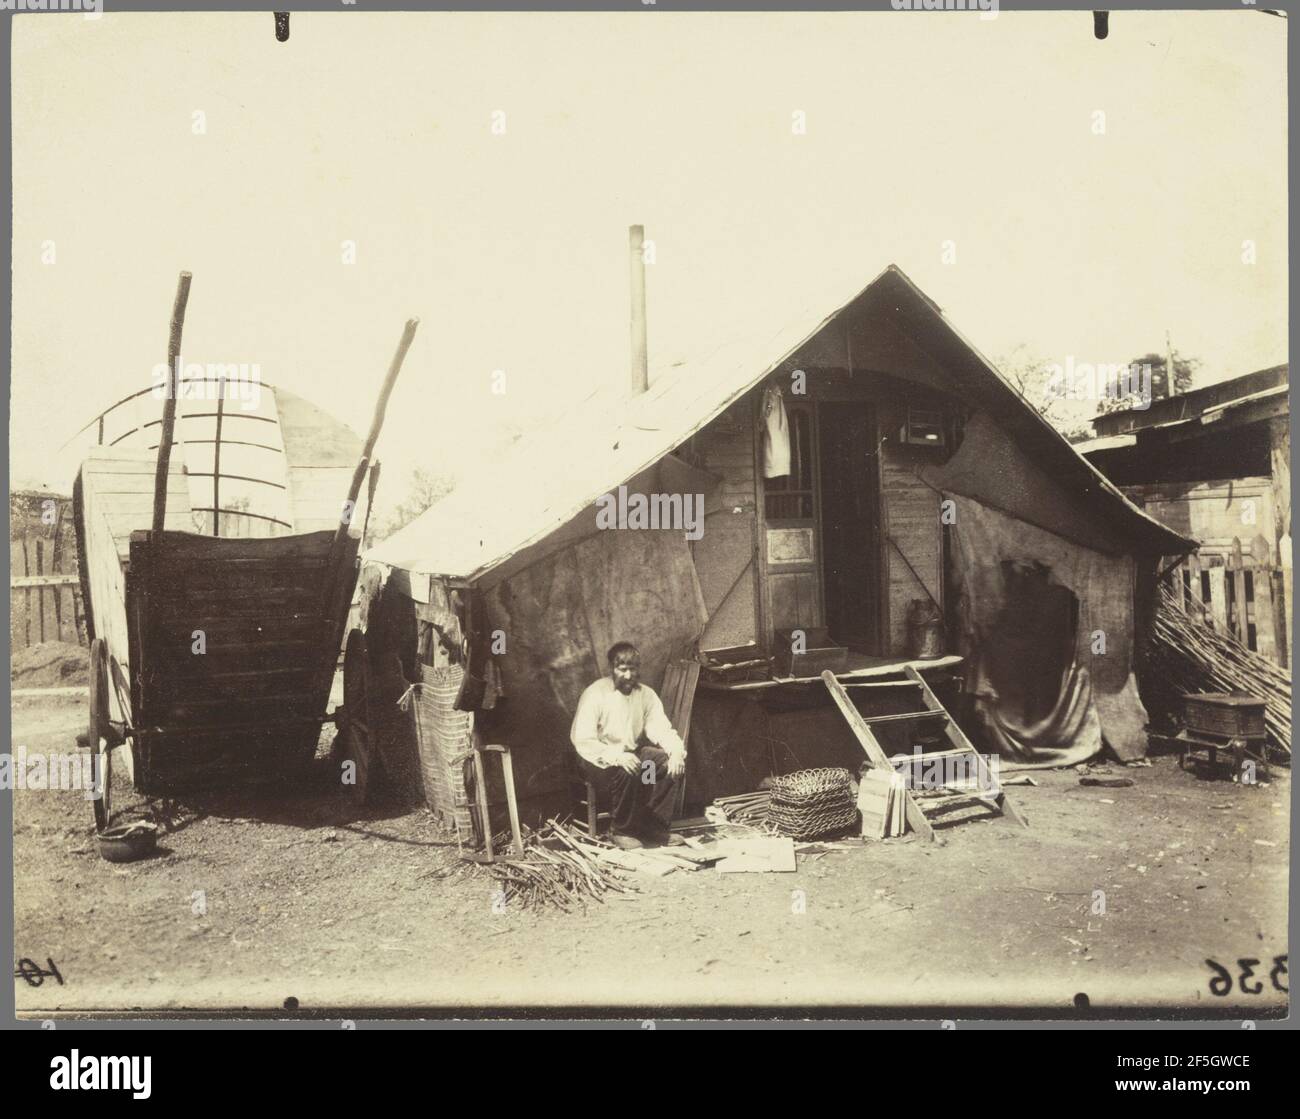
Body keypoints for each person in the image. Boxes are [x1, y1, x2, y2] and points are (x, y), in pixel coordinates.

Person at [570, 642, 687, 849]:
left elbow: (660, 729)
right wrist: (616, 756)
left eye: (632, 669)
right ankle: (621, 830)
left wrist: (676, 752)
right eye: (622, 669)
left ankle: (653, 827)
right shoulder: (596, 694)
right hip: (596, 761)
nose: (627, 675)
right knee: (631, 768)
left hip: (631, 755)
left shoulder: (645, 695)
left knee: (666, 763)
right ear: (611, 669)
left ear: (638, 669)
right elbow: (583, 739)